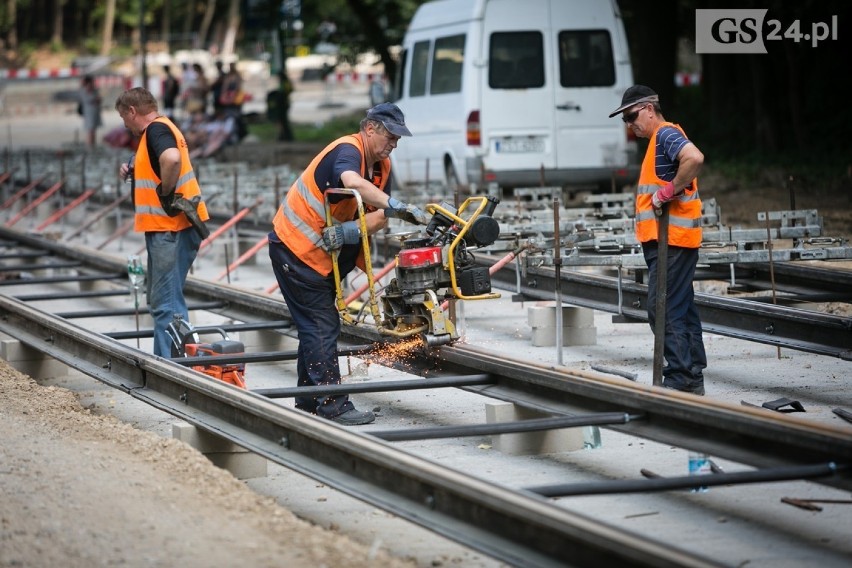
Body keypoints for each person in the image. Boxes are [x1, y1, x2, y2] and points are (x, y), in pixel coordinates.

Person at [268, 103, 428, 425]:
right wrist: (396, 205)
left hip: (321, 258)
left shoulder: (382, 166)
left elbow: (380, 216)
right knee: (322, 327)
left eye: (398, 138)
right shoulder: (347, 150)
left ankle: (310, 402)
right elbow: (352, 183)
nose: (394, 143)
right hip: (296, 250)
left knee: (315, 328)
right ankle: (333, 406)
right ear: (370, 128)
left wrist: (352, 229)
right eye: (390, 135)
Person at [609, 85, 707, 395]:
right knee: (681, 306)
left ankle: (680, 378)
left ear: (650, 108)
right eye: (625, 119)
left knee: (662, 308)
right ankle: (691, 373)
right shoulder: (658, 141)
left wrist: (669, 191)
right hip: (669, 242)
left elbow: (694, 157)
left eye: (632, 116)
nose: (629, 124)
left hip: (672, 242)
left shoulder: (665, 134)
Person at [115, 87, 210, 358]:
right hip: (175, 227)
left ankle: (170, 369)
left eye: (124, 118)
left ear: (133, 111)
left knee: (165, 304)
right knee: (169, 301)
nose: (125, 125)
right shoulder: (161, 129)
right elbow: (160, 161)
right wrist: (134, 166)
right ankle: (173, 364)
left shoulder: (155, 130)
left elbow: (171, 158)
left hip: (170, 228)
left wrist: (165, 193)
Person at [79, 75, 102, 148]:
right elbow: (89, 99)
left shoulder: (92, 89)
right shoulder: (86, 89)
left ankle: (92, 145)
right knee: (90, 130)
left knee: (93, 130)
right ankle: (90, 145)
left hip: (93, 111)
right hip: (90, 111)